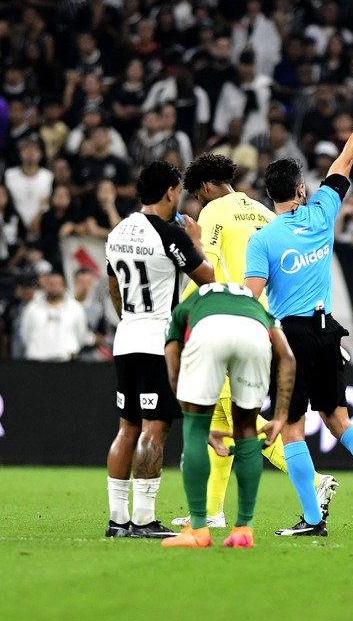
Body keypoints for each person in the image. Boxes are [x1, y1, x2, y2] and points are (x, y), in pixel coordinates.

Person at [245, 84, 353, 539]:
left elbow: (250, 295)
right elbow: (348, 155)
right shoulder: (321, 210)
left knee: (292, 429)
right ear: (300, 188)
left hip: (292, 340)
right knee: (339, 420)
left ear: (270, 195)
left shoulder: (264, 239)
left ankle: (313, 520)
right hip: (328, 331)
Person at [170, 153, 338, 529]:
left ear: (207, 187)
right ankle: (211, 511)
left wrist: (184, 316)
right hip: (270, 325)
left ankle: (316, 483)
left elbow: (204, 268)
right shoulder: (263, 212)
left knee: (242, 421)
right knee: (219, 413)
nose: (198, 202)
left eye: (198, 194)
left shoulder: (213, 212)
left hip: (229, 324)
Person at [103, 161, 215, 539]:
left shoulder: (118, 231)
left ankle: (117, 520)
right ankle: (144, 519)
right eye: (178, 189)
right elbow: (207, 279)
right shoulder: (171, 236)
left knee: (127, 428)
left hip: (126, 337)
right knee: (156, 427)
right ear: (170, 191)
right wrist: (196, 240)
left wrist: (127, 320)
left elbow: (114, 287)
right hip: (155, 342)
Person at [161, 283, 296, 548]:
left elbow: (172, 354)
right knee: (246, 429)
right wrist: (280, 416)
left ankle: (198, 529)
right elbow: (287, 357)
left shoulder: (187, 305)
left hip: (209, 332)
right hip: (253, 335)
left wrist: (187, 408)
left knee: (195, 430)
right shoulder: (258, 308)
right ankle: (243, 529)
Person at [20, 272, 91, 362]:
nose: (54, 287)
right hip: (37, 360)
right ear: (45, 285)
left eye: (57, 284)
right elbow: (24, 334)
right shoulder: (32, 308)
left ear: (64, 286)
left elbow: (81, 334)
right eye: (51, 284)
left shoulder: (75, 308)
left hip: (67, 360)